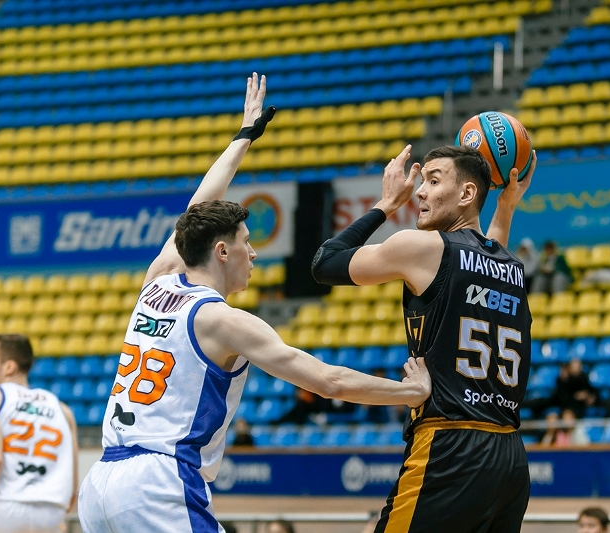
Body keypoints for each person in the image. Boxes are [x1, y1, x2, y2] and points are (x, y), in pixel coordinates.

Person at [78, 74, 431, 533]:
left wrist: (244, 135)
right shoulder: (223, 320)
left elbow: (196, 208)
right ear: (222, 251)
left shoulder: (156, 283)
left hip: (101, 480)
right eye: (247, 242)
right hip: (158, 483)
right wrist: (411, 392)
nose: (254, 253)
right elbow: (328, 381)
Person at [312, 144, 536, 532]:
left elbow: (324, 263)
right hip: (509, 458)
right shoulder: (511, 266)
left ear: (466, 193)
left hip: (449, 447)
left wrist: (386, 204)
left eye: (433, 181)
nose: (419, 191)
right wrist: (506, 205)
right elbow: (485, 251)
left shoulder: (424, 247)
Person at [0, 334, 78, 533]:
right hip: (52, 511)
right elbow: (73, 486)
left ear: (9, 367)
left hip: (3, 506)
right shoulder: (63, 410)